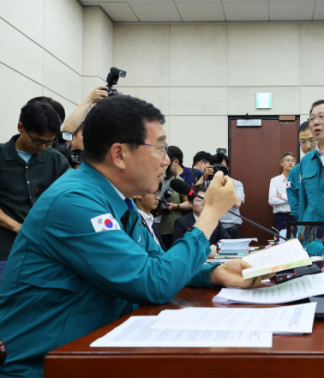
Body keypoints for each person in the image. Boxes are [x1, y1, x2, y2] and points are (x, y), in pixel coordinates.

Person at [0, 95, 272, 378]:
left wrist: (212, 274)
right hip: (42, 367)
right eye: (159, 148)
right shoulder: (74, 202)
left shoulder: (119, 200)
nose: (166, 161)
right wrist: (211, 213)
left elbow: (154, 264)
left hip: (92, 353)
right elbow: (154, 283)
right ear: (119, 154)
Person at [0, 99, 69, 272]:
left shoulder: (55, 160)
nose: (43, 147)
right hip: (5, 254)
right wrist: (19, 228)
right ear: (20, 127)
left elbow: (69, 200)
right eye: (38, 141)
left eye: (49, 142)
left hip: (45, 255)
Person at [173, 184, 231, 257]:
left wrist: (217, 246)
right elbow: (178, 249)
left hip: (212, 260)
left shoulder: (214, 220)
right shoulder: (181, 223)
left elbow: (227, 240)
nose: (204, 203)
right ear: (190, 204)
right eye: (199, 200)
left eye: (206, 200)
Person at [156, 147, 192, 248]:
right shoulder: (153, 178)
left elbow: (189, 204)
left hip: (172, 227)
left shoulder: (176, 180)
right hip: (155, 226)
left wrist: (175, 206)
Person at [203, 153, 245, 238]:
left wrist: (227, 185)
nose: (219, 169)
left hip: (232, 229)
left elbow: (237, 204)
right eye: (216, 166)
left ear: (227, 168)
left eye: (221, 166)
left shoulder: (236, 183)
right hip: (212, 228)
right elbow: (192, 199)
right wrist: (204, 177)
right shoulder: (206, 184)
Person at [287, 121, 316, 220]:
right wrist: (305, 221)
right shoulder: (294, 171)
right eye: (303, 142)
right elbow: (294, 203)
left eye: (312, 140)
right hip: (307, 225)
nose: (308, 146)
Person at [268, 152, 297, 231]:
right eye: (287, 160)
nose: (290, 162)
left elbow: (300, 199)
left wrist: (281, 196)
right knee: (279, 242)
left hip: (295, 216)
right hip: (280, 217)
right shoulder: (275, 180)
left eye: (292, 160)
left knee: (296, 241)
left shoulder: (299, 180)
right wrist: (291, 199)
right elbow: (272, 200)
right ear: (281, 163)